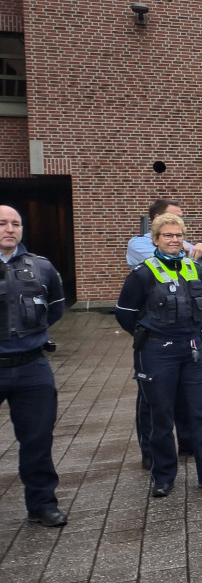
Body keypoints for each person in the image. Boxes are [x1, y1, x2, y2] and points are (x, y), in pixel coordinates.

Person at [115, 213, 202, 497]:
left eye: (178, 235)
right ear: (156, 239)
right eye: (168, 235)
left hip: (192, 349)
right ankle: (163, 476)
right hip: (157, 351)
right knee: (161, 417)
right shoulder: (143, 273)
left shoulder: (193, 268)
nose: (174, 240)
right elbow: (124, 315)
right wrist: (151, 336)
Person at [0, 206, 68, 527]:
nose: (9, 229)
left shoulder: (41, 267)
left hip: (32, 367)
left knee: (38, 440)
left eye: (16, 224)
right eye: (2, 223)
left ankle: (42, 504)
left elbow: (54, 309)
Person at [126, 199, 202, 468]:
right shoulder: (140, 245)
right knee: (153, 405)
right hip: (156, 344)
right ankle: (152, 455)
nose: (178, 233)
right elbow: (126, 313)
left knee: (186, 397)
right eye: (173, 223)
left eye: (180, 229)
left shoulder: (184, 253)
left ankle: (187, 444)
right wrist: (149, 335)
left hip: (186, 338)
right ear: (157, 224)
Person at [126, 199, 202, 269]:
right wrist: (195, 255)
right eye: (175, 217)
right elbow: (166, 260)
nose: (180, 221)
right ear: (157, 218)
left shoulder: (179, 240)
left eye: (180, 217)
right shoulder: (138, 243)